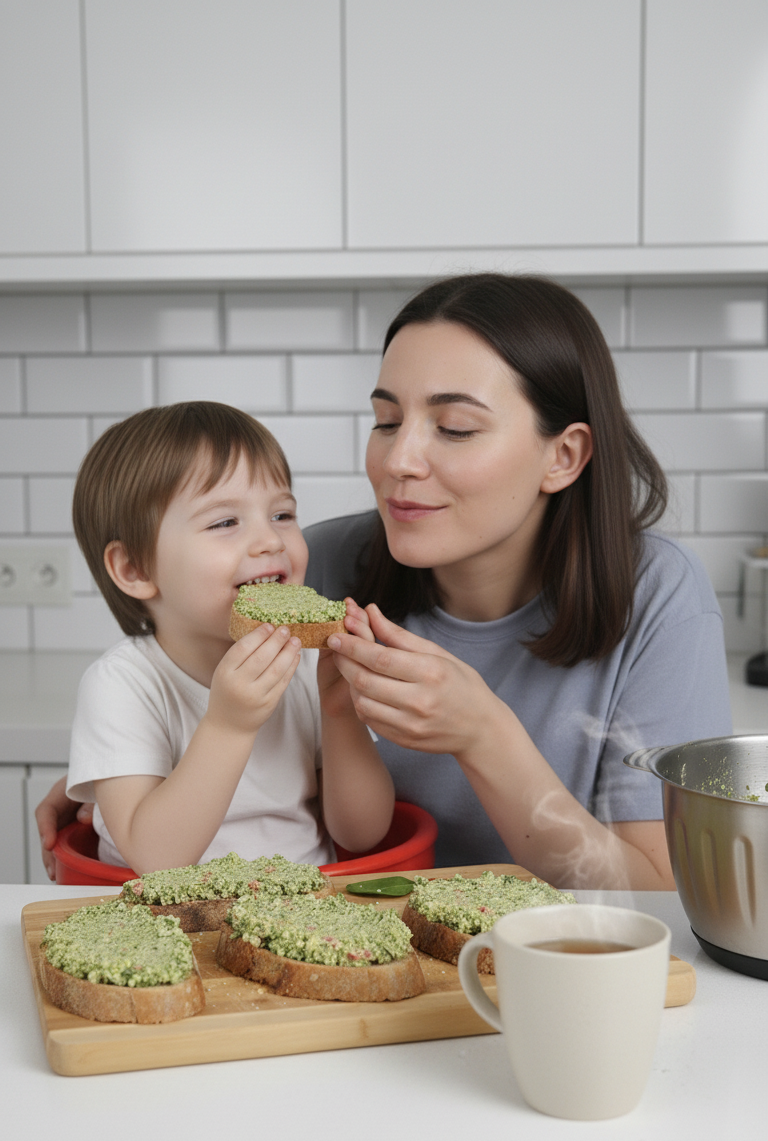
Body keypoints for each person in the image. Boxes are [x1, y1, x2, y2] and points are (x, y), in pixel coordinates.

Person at [38, 275, 731, 889]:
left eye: (455, 428)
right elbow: (174, 649)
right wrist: (112, 780)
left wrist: (484, 734)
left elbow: (660, 890)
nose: (399, 459)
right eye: (386, 421)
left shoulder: (658, 595)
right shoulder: (319, 570)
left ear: (564, 455)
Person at [46, 401, 393, 876]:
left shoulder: (307, 671)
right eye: (225, 522)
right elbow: (154, 859)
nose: (270, 540)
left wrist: (341, 715)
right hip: (166, 930)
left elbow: (363, 833)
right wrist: (230, 725)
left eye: (283, 514)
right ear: (135, 569)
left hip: (302, 918)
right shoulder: (123, 685)